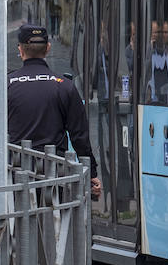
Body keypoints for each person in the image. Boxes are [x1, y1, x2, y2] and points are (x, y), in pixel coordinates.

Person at [8, 23, 102, 200]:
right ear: (48, 48)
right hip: (53, 176)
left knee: (18, 224)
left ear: (20, 50)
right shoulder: (64, 86)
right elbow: (79, 135)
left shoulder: (7, 85)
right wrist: (91, 172)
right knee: (54, 223)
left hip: (14, 174)